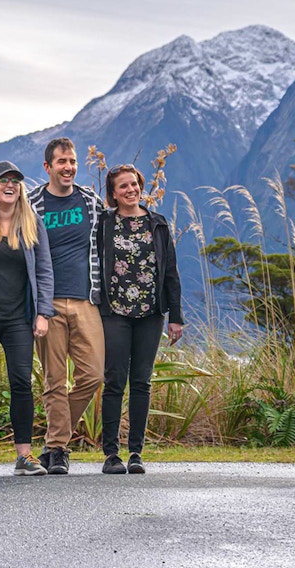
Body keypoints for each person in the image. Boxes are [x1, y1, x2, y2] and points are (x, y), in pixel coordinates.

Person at [0, 161, 54, 477]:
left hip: (20, 317)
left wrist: (43, 313)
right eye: (4, 180)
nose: (11, 185)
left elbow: (45, 270)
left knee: (21, 382)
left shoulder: (32, 223)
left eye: (16, 181)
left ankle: (24, 456)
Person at [96, 164, 183, 474]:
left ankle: (136, 453)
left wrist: (176, 316)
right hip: (115, 311)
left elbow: (170, 271)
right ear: (113, 193)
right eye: (123, 186)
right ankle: (111, 454)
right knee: (114, 381)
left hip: (151, 313)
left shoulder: (157, 224)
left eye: (134, 184)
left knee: (142, 382)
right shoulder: (104, 224)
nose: (130, 190)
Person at [26, 137, 107, 474]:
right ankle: (58, 451)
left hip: (88, 299)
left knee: (94, 375)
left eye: (72, 161)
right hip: (47, 304)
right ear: (48, 167)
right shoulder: (31, 205)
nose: (68, 167)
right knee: (54, 380)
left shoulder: (91, 202)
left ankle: (52, 439)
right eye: (61, 162)